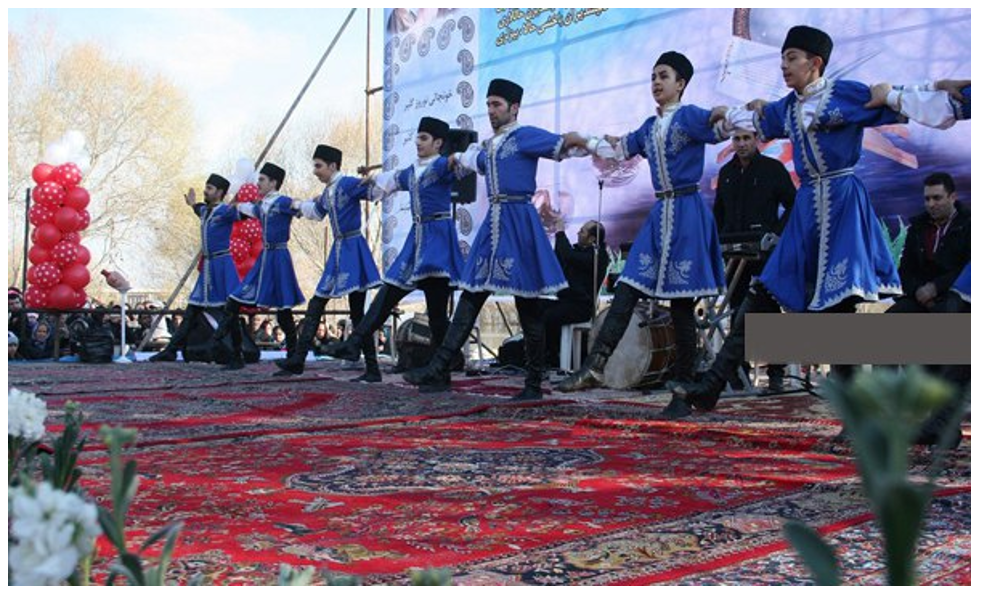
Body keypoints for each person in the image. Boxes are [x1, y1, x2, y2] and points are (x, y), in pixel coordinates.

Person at [668, 26, 962, 416]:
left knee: (837, 311)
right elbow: (747, 119)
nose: (783, 65)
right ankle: (711, 385)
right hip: (807, 209)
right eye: (782, 58)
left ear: (815, 62)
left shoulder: (844, 94)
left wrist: (935, 88)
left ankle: (857, 414)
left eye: (791, 57)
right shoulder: (786, 108)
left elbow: (902, 97)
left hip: (841, 205)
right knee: (764, 291)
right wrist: (720, 115)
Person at [403, 78, 597, 400]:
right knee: (471, 294)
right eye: (488, 105)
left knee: (528, 304)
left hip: (518, 223)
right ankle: (439, 365)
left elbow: (563, 144)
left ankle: (533, 383)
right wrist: (455, 158)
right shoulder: (490, 147)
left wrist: (597, 143)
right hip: (493, 226)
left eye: (497, 105)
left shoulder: (524, 136)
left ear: (514, 107)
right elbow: (472, 160)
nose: (491, 110)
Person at [558, 51, 728, 397]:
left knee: (681, 303)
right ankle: (594, 367)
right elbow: (618, 150)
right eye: (653, 77)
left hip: (687, 212)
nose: (656, 83)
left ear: (681, 84)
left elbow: (719, 126)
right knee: (626, 289)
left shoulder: (690, 117)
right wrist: (584, 140)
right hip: (660, 214)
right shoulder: (649, 128)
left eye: (664, 76)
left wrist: (726, 114)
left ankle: (684, 380)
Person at [319, 117, 466, 374]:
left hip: (437, 240)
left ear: (438, 143)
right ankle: (354, 343)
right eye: (417, 137)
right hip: (416, 240)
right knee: (389, 291)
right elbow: (392, 180)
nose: (418, 142)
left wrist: (461, 158)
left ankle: (442, 371)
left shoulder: (443, 165)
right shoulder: (412, 171)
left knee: (436, 313)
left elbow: (466, 164)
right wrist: (371, 180)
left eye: (423, 138)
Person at [273, 145, 382, 381]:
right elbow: (316, 212)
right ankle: (299, 359)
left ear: (333, 166)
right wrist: (296, 205)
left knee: (355, 311)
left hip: (353, 249)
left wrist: (372, 180)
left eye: (318, 166)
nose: (315, 171)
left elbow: (375, 193)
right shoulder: (328, 191)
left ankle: (372, 369)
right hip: (339, 250)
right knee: (318, 303)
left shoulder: (348, 184)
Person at [714, 127, 796, 392]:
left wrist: (776, 234)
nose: (741, 144)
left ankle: (776, 373)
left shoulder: (773, 168)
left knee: (767, 310)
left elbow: (794, 204)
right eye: (736, 139)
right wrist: (718, 241)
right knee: (736, 309)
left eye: (746, 138)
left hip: (764, 252)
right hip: (732, 253)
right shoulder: (726, 173)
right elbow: (718, 213)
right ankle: (740, 373)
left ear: (756, 140)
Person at [214, 162, 305, 370]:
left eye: (262, 180)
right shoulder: (261, 204)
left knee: (283, 310)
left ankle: (294, 358)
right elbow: (249, 209)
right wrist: (235, 204)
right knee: (234, 301)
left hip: (279, 257)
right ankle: (234, 353)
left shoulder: (282, 202)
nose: (258, 184)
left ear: (273, 182)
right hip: (265, 258)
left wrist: (303, 204)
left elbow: (300, 208)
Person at [150, 174, 241, 361]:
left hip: (222, 266)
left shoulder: (225, 211)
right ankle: (171, 350)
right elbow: (198, 208)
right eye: (206, 187)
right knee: (192, 310)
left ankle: (236, 353)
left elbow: (241, 213)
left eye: (209, 188)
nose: (205, 191)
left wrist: (241, 201)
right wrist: (192, 204)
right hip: (208, 268)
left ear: (220, 192)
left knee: (229, 311)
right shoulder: (205, 211)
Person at [888, 172, 970, 315]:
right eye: (927, 199)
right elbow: (905, 269)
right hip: (920, 295)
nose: (931, 204)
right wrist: (918, 291)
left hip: (957, 295)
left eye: (937, 198)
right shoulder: (917, 227)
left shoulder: (970, 224)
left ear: (953, 197)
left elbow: (970, 269)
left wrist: (935, 287)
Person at [542, 220, 609, 368]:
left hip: (581, 307)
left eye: (582, 231)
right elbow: (561, 257)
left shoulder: (598, 256)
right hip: (565, 301)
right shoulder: (577, 251)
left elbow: (568, 256)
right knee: (533, 307)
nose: (578, 233)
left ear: (592, 239)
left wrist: (560, 232)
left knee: (549, 316)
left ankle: (551, 357)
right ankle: (534, 353)